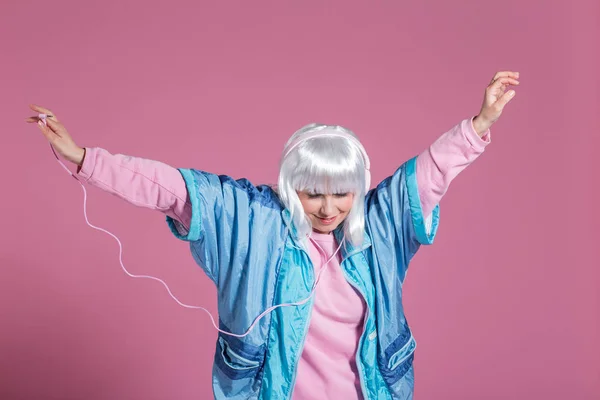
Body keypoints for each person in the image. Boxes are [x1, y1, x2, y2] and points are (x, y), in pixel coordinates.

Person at [26, 70, 519, 400]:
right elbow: (170, 187)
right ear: (290, 187)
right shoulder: (254, 220)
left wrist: (478, 125)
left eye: (342, 194)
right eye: (313, 194)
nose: (329, 209)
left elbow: (428, 173)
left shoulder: (378, 226)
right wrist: (84, 159)